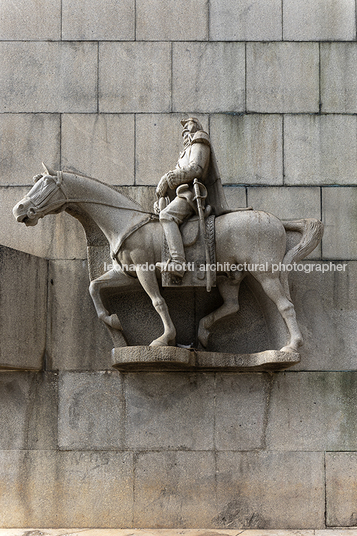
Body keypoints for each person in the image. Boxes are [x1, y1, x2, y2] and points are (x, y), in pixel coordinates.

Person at [155, 117, 229, 278]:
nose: (184, 135)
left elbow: (196, 169)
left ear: (193, 131)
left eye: (186, 130)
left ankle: (178, 263)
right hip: (182, 194)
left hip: (193, 196)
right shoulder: (184, 154)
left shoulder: (200, 142)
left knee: (167, 216)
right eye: (183, 133)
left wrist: (168, 178)